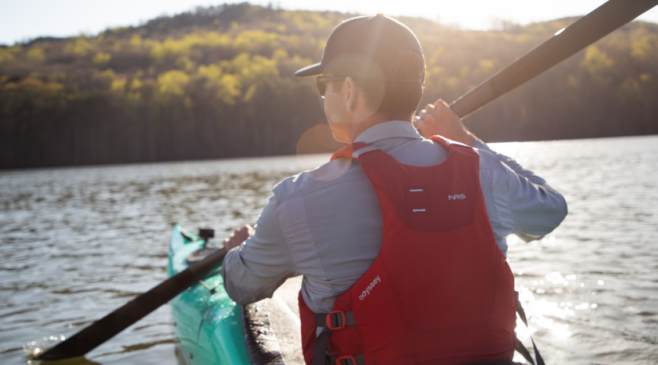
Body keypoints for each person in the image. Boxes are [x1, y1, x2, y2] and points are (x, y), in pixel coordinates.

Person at [221, 14, 567, 365]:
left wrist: (236, 252)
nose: (323, 95)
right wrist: (468, 140)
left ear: (350, 91)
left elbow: (242, 285)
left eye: (324, 83)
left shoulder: (298, 199)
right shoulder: (486, 170)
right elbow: (551, 211)